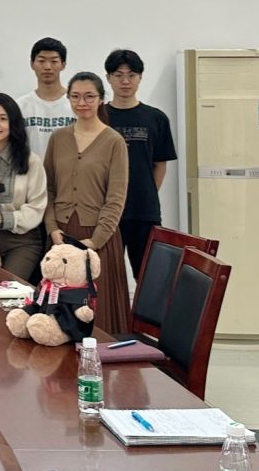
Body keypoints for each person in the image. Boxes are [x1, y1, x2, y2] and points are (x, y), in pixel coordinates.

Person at [43, 72, 129, 334]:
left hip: (98, 238)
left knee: (97, 319)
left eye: (89, 96)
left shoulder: (114, 141)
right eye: (76, 96)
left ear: (101, 99)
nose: (82, 103)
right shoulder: (58, 138)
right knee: (57, 320)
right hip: (61, 236)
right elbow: (49, 189)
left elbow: (116, 198)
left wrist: (95, 241)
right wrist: (52, 229)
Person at [105, 49, 178, 278]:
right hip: (106, 212)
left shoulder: (156, 118)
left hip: (144, 211)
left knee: (148, 277)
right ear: (108, 78)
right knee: (107, 277)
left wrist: (147, 193)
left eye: (132, 75)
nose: (125, 81)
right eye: (118, 75)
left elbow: (160, 164)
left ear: (140, 77)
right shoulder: (99, 116)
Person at [0, 93, 47, 283]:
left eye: (2, 119)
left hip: (22, 240)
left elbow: (36, 208)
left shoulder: (31, 161)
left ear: (13, 122)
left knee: (8, 291)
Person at [16, 37, 76, 160]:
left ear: (63, 65)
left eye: (54, 61)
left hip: (69, 171)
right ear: (32, 64)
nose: (47, 67)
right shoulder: (20, 106)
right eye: (41, 61)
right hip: (32, 171)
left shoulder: (76, 103)